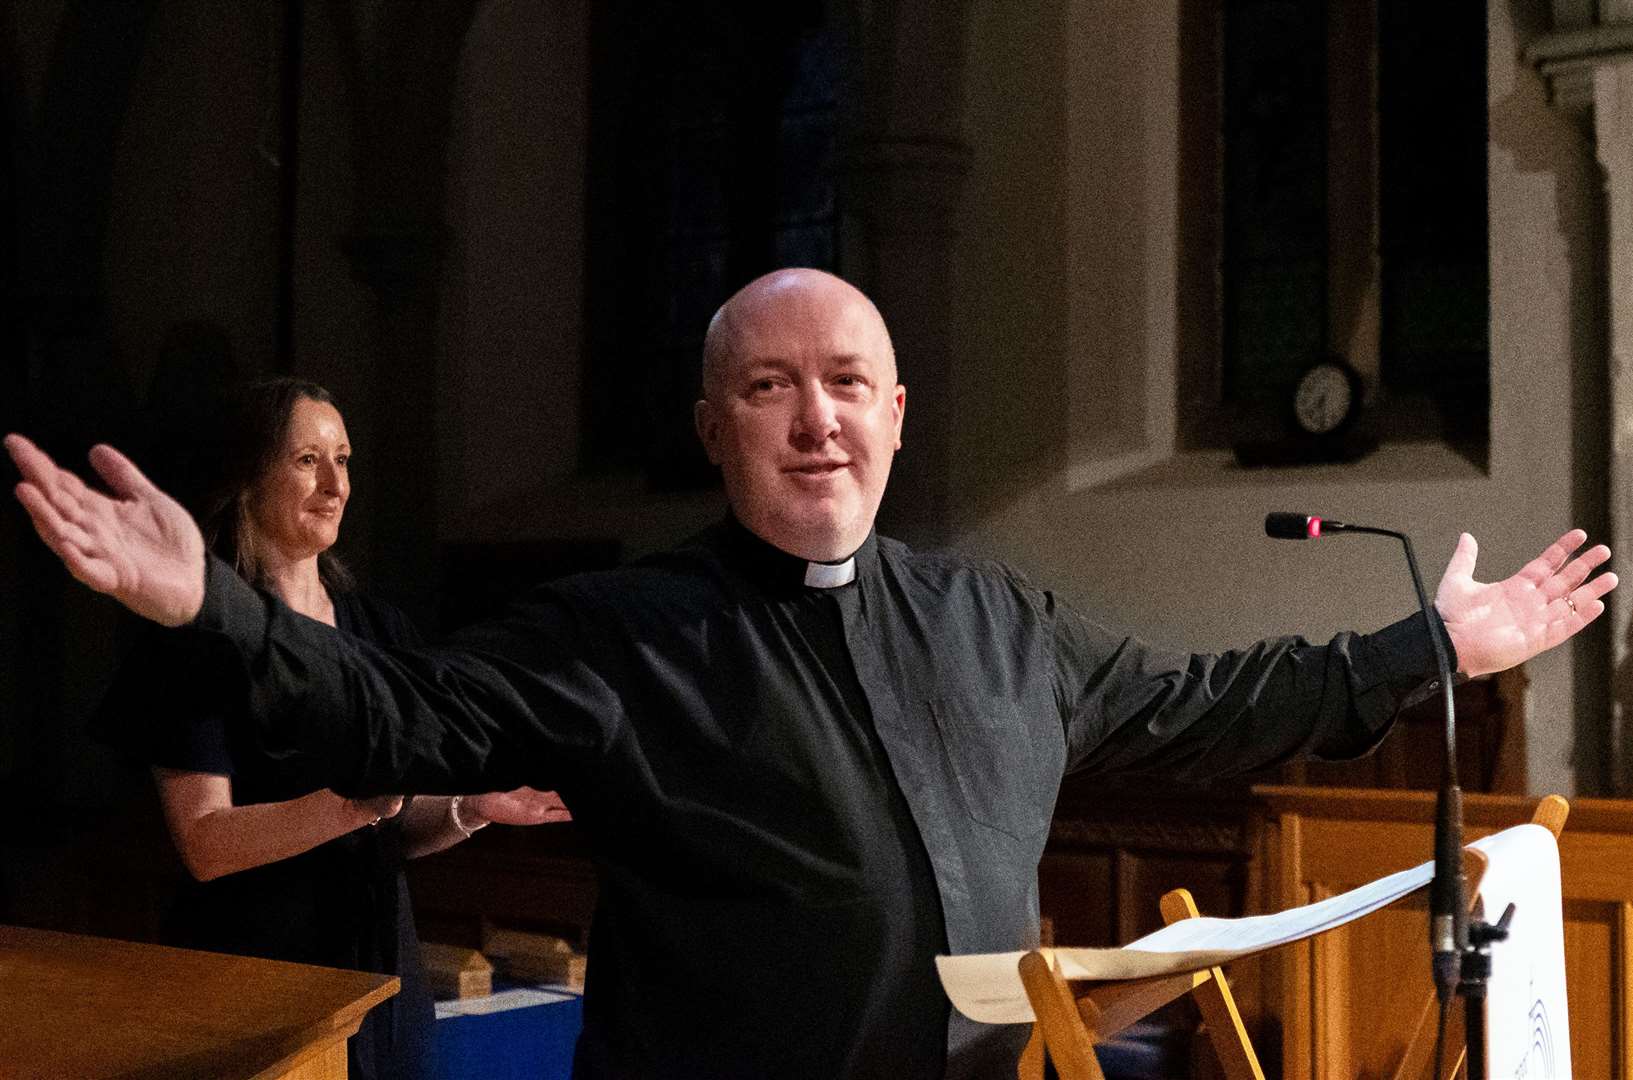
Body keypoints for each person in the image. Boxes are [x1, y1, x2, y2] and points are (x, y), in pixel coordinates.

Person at [6, 269, 1617, 1079]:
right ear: (715, 434)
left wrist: (1432, 651)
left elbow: (1211, 708)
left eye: (846, 381)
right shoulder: (622, 631)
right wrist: (212, 606)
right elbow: (392, 711)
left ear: (896, 414)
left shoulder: (1003, 627)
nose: (814, 416)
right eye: (768, 387)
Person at [89, 377, 570, 1080]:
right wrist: (348, 805)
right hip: (253, 977)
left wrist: (471, 808)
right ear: (250, 477)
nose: (334, 483)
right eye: (306, 459)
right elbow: (205, 841)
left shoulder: (378, 629)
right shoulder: (196, 640)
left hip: (380, 969)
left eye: (342, 459)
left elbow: (397, 821)